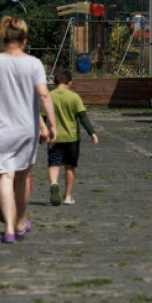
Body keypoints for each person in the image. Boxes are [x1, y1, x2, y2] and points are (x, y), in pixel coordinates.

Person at [0, 16, 57, 244]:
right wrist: (52, 124)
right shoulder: (34, 64)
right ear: (24, 40)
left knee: (4, 175)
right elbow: (43, 95)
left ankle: (8, 229)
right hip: (25, 128)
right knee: (22, 177)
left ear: (3, 38)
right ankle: (20, 222)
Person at [46, 68, 98, 206]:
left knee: (54, 163)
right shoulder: (74, 97)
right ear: (70, 82)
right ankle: (68, 196)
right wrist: (92, 133)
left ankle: (54, 183)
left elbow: (43, 116)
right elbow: (82, 116)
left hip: (54, 137)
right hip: (72, 137)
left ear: (54, 82)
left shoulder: (49, 96)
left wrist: (42, 132)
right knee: (70, 166)